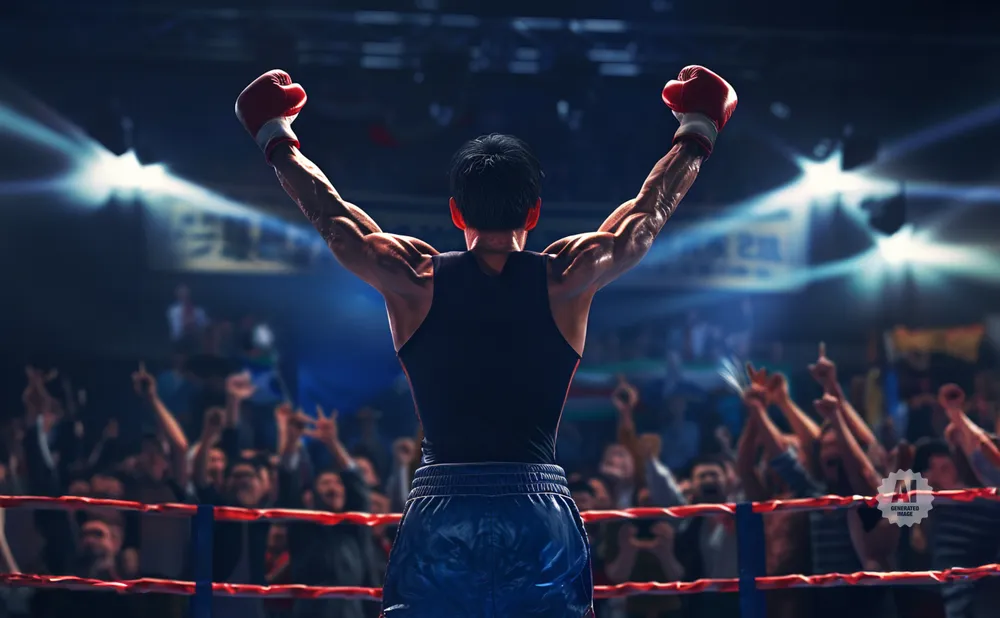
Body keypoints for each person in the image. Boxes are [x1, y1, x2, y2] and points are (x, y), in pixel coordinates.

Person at [236, 65, 737, 617]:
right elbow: (644, 218)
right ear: (534, 212)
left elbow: (335, 221)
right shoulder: (566, 277)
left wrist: (275, 137)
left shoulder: (416, 279)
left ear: (455, 212)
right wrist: (697, 130)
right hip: (535, 506)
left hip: (444, 505)